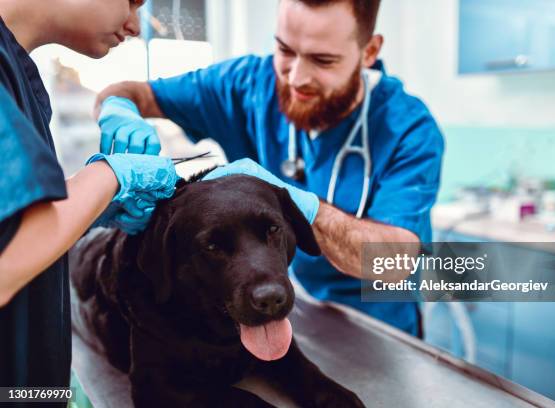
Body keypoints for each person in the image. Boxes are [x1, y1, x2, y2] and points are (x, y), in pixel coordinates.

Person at [95, 0, 444, 337]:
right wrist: (118, 112)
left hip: (378, 321)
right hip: (285, 302)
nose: (296, 77)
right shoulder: (246, 84)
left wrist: (300, 205)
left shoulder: (408, 129)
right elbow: (127, 92)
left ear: (369, 52)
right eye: (285, 50)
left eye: (323, 60)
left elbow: (395, 263)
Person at [0, 0, 178, 396]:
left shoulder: (15, 70)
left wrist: (88, 210)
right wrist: (110, 176)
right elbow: (6, 261)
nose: (135, 25)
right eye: (132, 2)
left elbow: (12, 217)